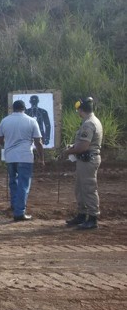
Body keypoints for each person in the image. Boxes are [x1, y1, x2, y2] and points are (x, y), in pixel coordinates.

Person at [0, 100, 45, 221]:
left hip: (10, 157)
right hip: (25, 157)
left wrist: (8, 144)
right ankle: (19, 212)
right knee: (23, 184)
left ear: (13, 108)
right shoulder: (31, 121)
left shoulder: (5, 120)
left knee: (13, 182)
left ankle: (14, 205)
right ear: (24, 108)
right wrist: (41, 158)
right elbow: (38, 142)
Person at [60, 97, 102, 230]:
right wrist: (73, 148)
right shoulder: (90, 121)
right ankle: (82, 215)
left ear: (81, 110)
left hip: (87, 159)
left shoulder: (88, 124)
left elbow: (83, 146)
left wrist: (68, 151)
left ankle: (92, 218)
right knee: (80, 189)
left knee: (89, 189)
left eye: (78, 110)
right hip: (85, 159)